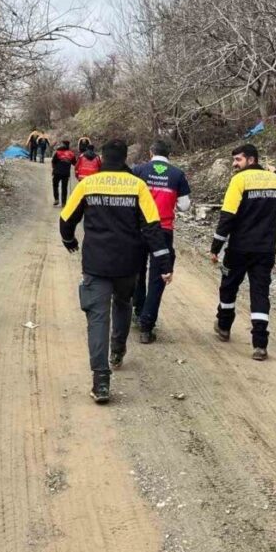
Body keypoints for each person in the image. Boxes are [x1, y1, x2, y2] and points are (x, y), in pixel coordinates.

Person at [60, 139, 173, 403]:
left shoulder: (88, 184)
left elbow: (66, 219)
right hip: (127, 263)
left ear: (102, 158)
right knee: (122, 303)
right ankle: (118, 350)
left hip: (96, 264)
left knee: (97, 318)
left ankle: (101, 382)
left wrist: (70, 241)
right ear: (125, 159)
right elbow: (153, 228)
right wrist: (164, 265)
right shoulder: (138, 185)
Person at [209, 144, 276, 360]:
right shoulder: (273, 180)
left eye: (238, 160)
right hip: (265, 249)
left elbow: (227, 216)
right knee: (260, 293)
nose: (234, 164)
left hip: (239, 248)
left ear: (251, 160)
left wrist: (215, 247)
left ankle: (223, 326)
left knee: (229, 286)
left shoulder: (239, 180)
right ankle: (260, 344)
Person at [132, 140, 191, 343]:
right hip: (163, 231)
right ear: (169, 155)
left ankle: (138, 311)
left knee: (137, 272)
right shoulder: (177, 174)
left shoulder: (139, 170)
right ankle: (147, 328)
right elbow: (184, 206)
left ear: (151, 152)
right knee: (157, 279)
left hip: (139, 229)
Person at [51, 140, 78, 206]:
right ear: (68, 145)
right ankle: (63, 202)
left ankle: (56, 199)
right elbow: (75, 163)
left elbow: (53, 161)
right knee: (64, 188)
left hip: (57, 172)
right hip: (66, 173)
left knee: (55, 185)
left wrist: (53, 169)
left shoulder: (58, 152)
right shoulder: (71, 153)